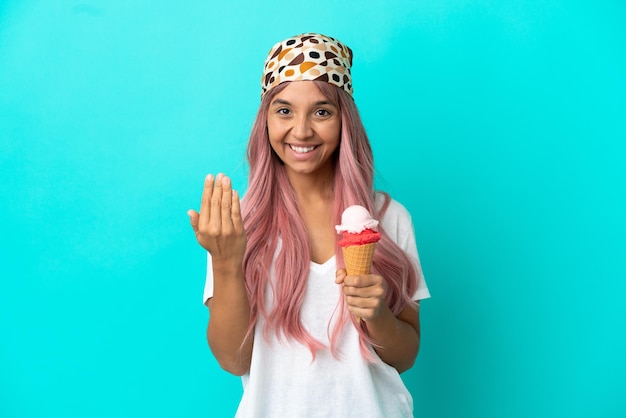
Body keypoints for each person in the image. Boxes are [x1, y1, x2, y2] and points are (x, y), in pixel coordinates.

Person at [188, 33, 430, 418]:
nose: (301, 131)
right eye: (284, 111)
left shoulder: (389, 217)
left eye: (321, 112)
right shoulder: (239, 223)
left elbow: (405, 357)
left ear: (344, 120)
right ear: (265, 120)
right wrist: (227, 263)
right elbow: (233, 360)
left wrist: (378, 314)